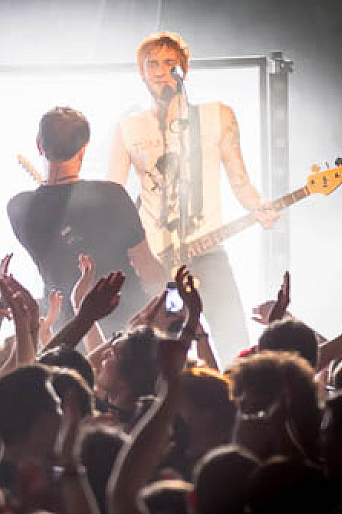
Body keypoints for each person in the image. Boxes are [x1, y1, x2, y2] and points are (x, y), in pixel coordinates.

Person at [108, 31, 279, 365]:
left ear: (183, 70)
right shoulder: (129, 127)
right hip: (155, 258)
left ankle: (235, 390)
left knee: (231, 335)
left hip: (207, 248)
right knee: (158, 344)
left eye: (169, 63)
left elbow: (240, 180)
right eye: (152, 64)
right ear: (142, 73)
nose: (161, 71)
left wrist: (259, 206)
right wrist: (128, 249)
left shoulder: (217, 116)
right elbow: (114, 193)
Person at [7, 106, 165, 337]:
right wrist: (171, 296)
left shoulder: (18, 207)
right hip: (125, 327)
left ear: (39, 145)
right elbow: (147, 266)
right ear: (83, 149)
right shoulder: (111, 196)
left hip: (67, 332)